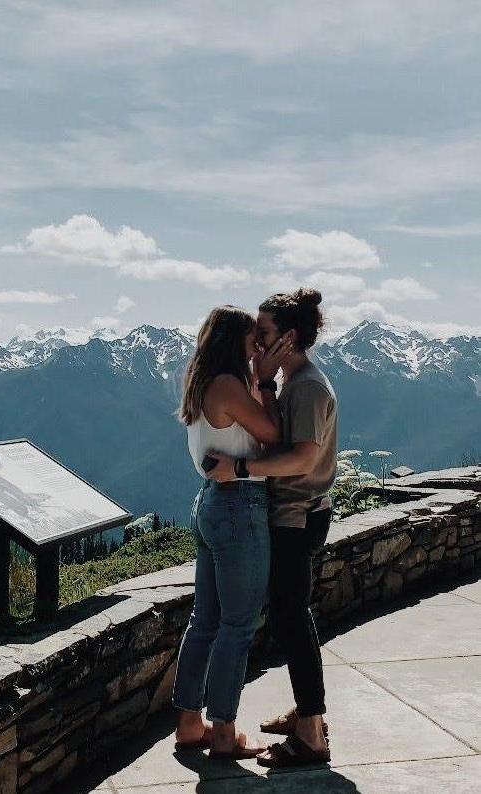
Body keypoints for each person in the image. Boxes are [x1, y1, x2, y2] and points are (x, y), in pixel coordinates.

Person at [208, 288, 337, 768]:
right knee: (290, 616)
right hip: (294, 513)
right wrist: (264, 384)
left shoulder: (307, 388)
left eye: (263, 332)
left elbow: (302, 459)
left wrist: (239, 471)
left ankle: (311, 734)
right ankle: (308, 713)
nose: (256, 341)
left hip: (296, 516)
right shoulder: (294, 382)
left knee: (291, 618)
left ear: (290, 336)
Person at [172, 305, 293, 759]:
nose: (258, 347)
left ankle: (190, 724)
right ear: (234, 342)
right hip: (239, 504)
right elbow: (272, 434)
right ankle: (224, 732)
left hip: (211, 502)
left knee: (204, 620)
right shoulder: (228, 384)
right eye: (252, 340)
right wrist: (266, 381)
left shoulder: (203, 382)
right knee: (238, 624)